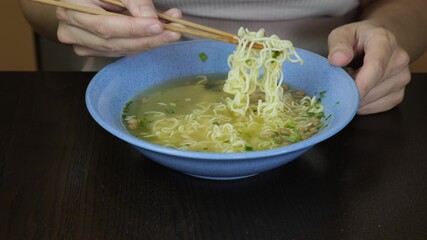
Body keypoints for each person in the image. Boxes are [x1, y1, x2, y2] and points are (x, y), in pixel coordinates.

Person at [19, 0, 427, 115]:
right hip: (123, 93)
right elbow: (35, 5)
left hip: (332, 89)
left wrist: (388, 33)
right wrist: (72, 12)